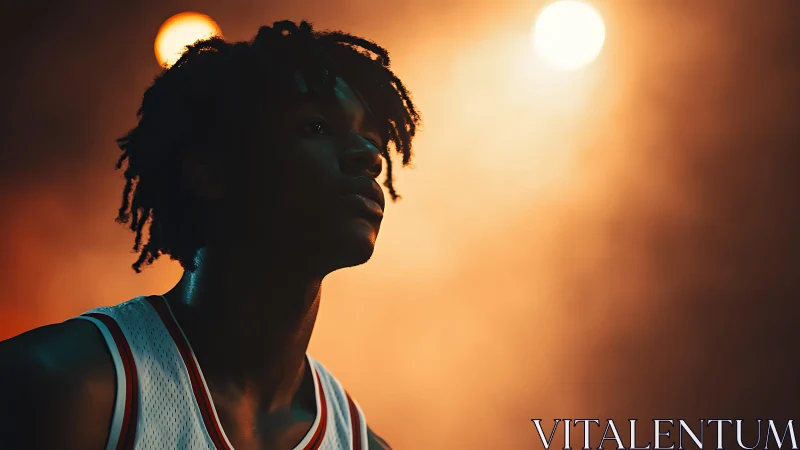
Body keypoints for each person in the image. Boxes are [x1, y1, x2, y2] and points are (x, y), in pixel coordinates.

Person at [0, 19, 420, 449]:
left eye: (372, 139)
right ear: (210, 171)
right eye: (315, 126)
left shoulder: (358, 442)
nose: (369, 156)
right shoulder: (61, 384)